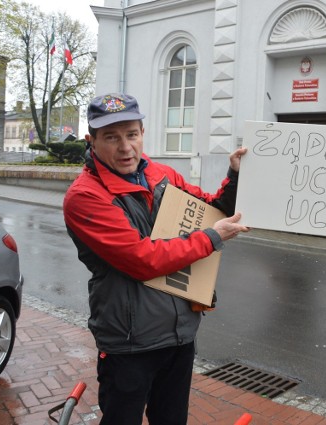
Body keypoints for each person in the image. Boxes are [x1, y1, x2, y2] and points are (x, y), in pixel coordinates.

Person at [63, 93, 249, 425]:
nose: (125, 147)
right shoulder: (85, 197)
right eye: (111, 137)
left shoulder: (161, 174)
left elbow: (212, 209)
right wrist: (211, 238)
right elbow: (142, 259)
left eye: (131, 135)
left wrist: (234, 176)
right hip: (130, 342)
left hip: (179, 335)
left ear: (142, 133)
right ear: (91, 141)